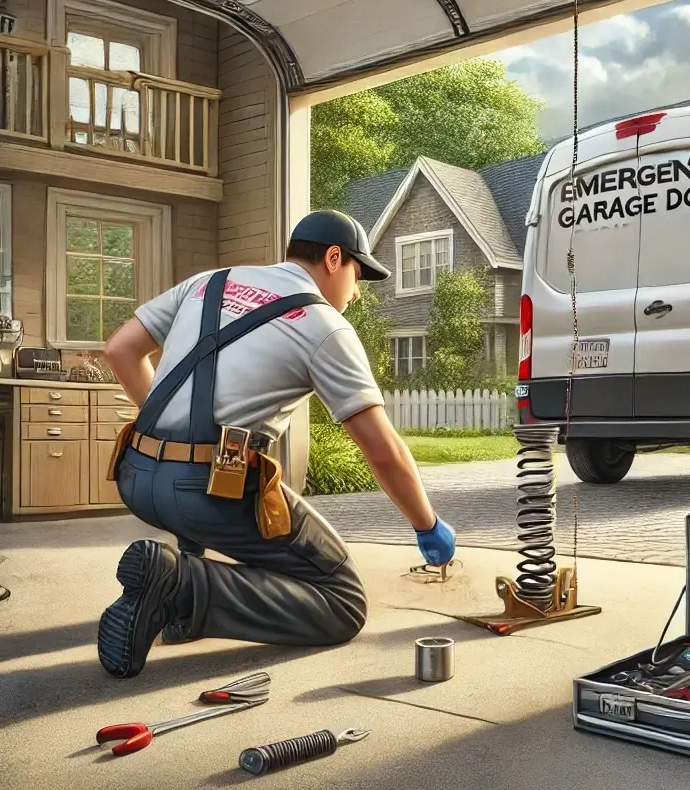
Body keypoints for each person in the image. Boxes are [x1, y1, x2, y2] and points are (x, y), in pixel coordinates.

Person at [97, 210, 456, 679]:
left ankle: (174, 601)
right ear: (333, 258)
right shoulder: (322, 324)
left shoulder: (209, 282)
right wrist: (426, 524)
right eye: (357, 274)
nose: (358, 291)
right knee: (342, 601)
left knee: (217, 480)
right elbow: (381, 449)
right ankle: (181, 589)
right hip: (202, 494)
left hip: (136, 476)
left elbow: (119, 349)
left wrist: (173, 437)